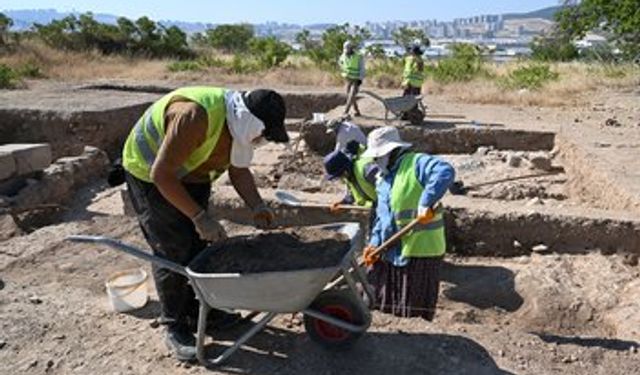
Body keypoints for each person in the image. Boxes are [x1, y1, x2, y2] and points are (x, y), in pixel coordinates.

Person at [121, 86, 288, 361]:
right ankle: (174, 325)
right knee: (172, 249)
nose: (261, 141)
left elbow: (238, 168)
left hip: (190, 173)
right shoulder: (195, 116)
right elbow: (162, 175)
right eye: (263, 134)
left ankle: (203, 311)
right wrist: (199, 217)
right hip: (152, 174)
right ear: (251, 123)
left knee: (199, 245)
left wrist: (257, 205)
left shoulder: (237, 124)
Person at [361, 126, 455, 321]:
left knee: (413, 305)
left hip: (420, 250)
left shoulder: (416, 163)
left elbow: (444, 171)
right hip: (392, 249)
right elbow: (382, 217)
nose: (376, 161)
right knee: (386, 299)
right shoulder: (384, 179)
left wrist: (425, 202)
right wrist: (374, 243)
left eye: (379, 156)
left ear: (392, 151)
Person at [339, 40, 365, 117]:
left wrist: (360, 79)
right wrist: (343, 74)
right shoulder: (343, 56)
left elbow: (362, 68)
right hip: (347, 79)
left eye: (348, 49)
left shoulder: (358, 56)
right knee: (349, 95)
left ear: (351, 49)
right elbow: (341, 64)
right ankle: (357, 111)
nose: (347, 51)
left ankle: (345, 112)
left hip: (356, 79)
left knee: (351, 95)